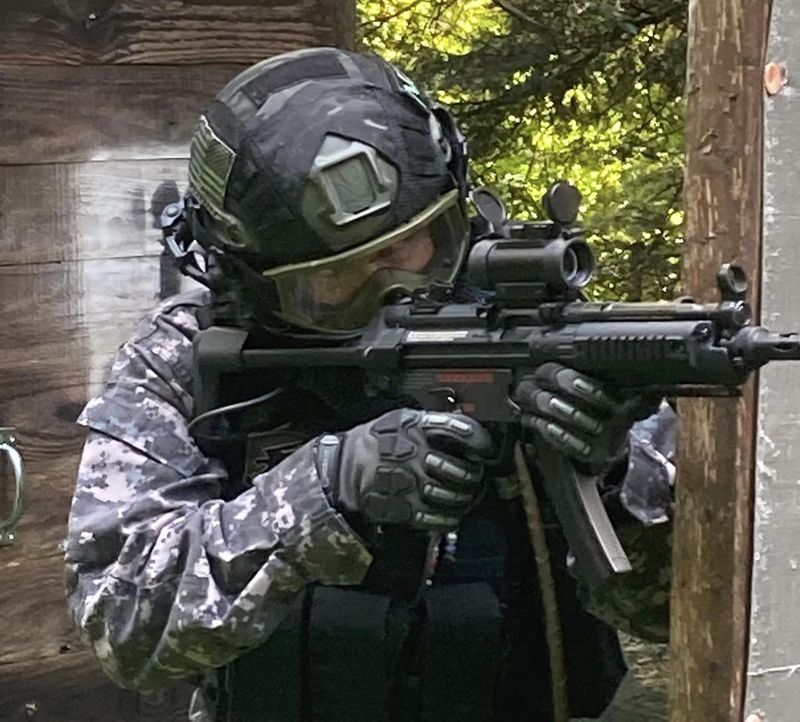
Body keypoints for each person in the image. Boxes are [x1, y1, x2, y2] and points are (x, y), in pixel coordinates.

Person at [65, 47, 676, 722]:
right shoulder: (186, 357)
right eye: (336, 278)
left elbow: (675, 609)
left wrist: (615, 475)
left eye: (409, 246)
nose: (394, 291)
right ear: (251, 277)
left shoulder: (537, 332)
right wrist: (324, 490)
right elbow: (123, 626)